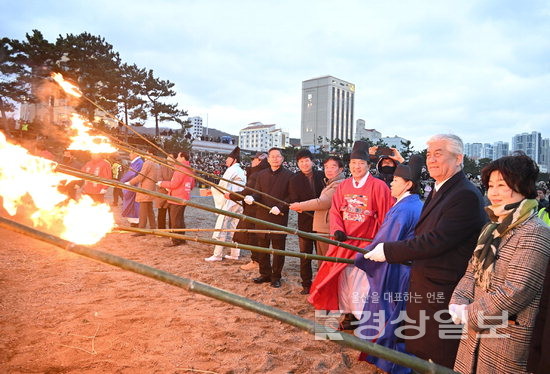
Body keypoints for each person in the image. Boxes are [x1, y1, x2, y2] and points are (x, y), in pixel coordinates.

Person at [363, 134, 487, 368]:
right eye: (429, 154)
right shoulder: (440, 188)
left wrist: (388, 251)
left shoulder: (465, 194)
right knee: (420, 351)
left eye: (438, 154)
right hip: (424, 283)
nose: (431, 160)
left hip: (445, 290)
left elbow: (436, 240)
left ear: (458, 158)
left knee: (438, 356)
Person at [449, 152, 550, 373]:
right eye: (491, 185)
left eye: (502, 185)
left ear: (522, 186)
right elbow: (471, 271)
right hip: (475, 329)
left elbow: (517, 290)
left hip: (506, 335)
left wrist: (469, 313)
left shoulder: (535, 231)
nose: (493, 192)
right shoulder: (492, 227)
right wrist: (457, 301)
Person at [308, 140, 394, 329]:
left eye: (361, 163)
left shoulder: (379, 186)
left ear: (368, 166)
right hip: (343, 241)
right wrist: (337, 229)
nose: (357, 167)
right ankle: (348, 316)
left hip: (365, 243)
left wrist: (377, 241)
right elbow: (335, 211)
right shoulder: (344, 186)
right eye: (354, 163)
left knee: (362, 283)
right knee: (343, 280)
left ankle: (364, 317)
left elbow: (385, 216)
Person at [354, 155, 424, 374]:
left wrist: (362, 257)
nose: (391, 183)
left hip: (397, 270)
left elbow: (385, 242)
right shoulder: (414, 204)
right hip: (407, 268)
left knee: (389, 315)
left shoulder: (403, 209)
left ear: (408, 184)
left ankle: (392, 363)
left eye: (395, 180)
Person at [246, 147, 293, 288]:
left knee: (278, 248)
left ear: (282, 159)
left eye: (277, 156)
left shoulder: (289, 175)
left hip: (279, 216)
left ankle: (276, 276)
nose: (274, 159)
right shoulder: (261, 175)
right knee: (262, 247)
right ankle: (264, 274)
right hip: (262, 216)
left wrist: (281, 207)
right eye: (272, 156)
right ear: (268, 159)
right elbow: (258, 193)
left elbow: (291, 196)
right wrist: (252, 198)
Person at [289, 156, 345, 267]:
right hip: (320, 227)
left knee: (326, 262)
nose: (328, 170)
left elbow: (322, 202)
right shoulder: (330, 182)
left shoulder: (338, 184)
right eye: (326, 167)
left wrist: (300, 206)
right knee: (321, 260)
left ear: (341, 169)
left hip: (328, 228)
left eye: (333, 167)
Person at [288, 149, 325, 294]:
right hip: (305, 221)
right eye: (301, 161)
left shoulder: (321, 176)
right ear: (298, 164)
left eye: (307, 160)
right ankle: (306, 283)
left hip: (322, 221)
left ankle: (322, 282)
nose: (304, 164)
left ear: (312, 161)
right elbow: (294, 199)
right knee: (305, 254)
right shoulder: (294, 179)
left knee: (321, 255)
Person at [205, 147, 246, 261]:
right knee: (234, 227)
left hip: (231, 201)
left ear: (234, 160)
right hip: (239, 202)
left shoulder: (232, 170)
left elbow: (222, 186)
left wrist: (212, 190)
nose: (226, 161)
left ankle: (217, 255)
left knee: (223, 226)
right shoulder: (240, 170)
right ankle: (234, 254)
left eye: (228, 158)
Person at [230, 152, 270, 270]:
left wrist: (231, 195)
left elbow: (247, 192)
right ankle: (257, 260)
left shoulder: (257, 173)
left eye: (253, 159)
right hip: (258, 209)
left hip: (254, 210)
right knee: (257, 237)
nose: (251, 162)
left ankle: (256, 260)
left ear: (259, 160)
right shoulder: (262, 172)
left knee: (253, 236)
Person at [158, 151, 195, 247]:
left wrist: (162, 183)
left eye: (178, 157)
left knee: (175, 220)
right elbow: (192, 185)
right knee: (180, 219)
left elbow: (174, 184)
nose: (177, 159)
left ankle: (176, 240)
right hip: (184, 196)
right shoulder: (189, 169)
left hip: (177, 197)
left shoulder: (181, 169)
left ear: (182, 158)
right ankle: (181, 238)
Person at [128, 147, 159, 235]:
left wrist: (130, 182)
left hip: (145, 189)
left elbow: (141, 176)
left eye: (147, 153)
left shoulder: (148, 163)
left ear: (151, 154)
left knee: (143, 211)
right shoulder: (156, 164)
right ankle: (153, 227)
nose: (145, 155)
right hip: (151, 189)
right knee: (149, 209)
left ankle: (142, 229)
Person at [120, 151, 144, 227]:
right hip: (131, 184)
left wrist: (124, 180)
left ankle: (136, 222)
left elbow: (132, 174)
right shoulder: (135, 162)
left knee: (134, 204)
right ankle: (133, 221)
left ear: (136, 154)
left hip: (134, 185)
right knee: (131, 204)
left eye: (131, 153)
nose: (129, 155)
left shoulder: (139, 162)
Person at [156, 153, 175, 229]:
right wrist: (166, 187)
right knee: (161, 213)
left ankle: (171, 230)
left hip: (172, 194)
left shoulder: (176, 168)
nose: (169, 159)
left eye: (171, 158)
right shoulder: (161, 167)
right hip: (163, 193)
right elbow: (159, 179)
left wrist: (171, 187)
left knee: (172, 214)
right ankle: (161, 230)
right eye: (168, 157)